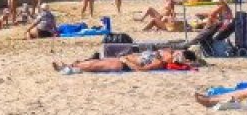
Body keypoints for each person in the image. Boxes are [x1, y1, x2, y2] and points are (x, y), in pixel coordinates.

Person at [54, 48, 199, 73]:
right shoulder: (164, 53)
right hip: (124, 59)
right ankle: (70, 65)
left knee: (95, 65)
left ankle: (68, 67)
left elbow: (141, 70)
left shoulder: (160, 62)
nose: (175, 53)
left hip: (123, 65)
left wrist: (127, 61)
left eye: (180, 55)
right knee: (97, 61)